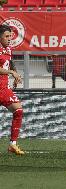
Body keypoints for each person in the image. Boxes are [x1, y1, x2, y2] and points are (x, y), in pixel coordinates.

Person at [0, 24, 24, 155]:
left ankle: (12, 144)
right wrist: (10, 72)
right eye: (6, 36)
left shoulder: (8, 49)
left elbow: (10, 63)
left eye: (10, 36)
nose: (9, 38)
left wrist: (15, 73)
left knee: (18, 110)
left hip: (3, 88)